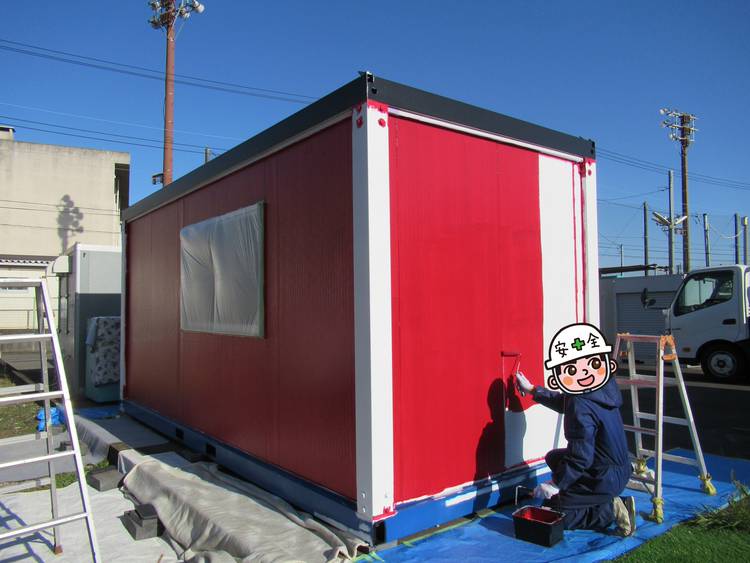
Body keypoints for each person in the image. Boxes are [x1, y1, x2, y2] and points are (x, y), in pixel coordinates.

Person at [515, 322, 637, 536]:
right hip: (617, 468)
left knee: (557, 511)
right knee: (554, 457)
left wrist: (555, 484)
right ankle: (587, 495)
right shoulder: (603, 386)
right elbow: (565, 401)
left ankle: (613, 508)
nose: (581, 372)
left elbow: (581, 457)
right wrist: (534, 390)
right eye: (571, 369)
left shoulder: (580, 404)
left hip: (604, 477)